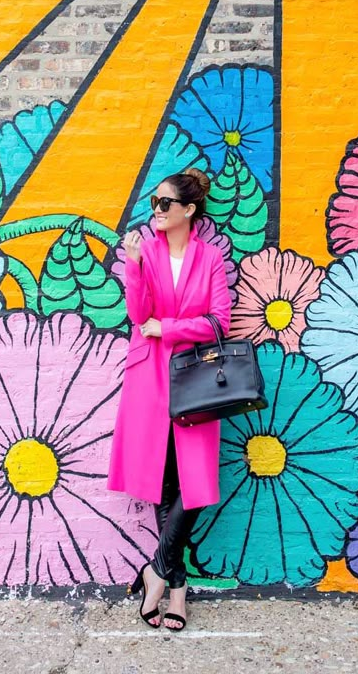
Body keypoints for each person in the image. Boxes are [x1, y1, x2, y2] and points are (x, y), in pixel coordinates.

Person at [107, 167, 232, 631]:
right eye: (153, 204)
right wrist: (134, 268)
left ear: (188, 211)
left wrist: (172, 328)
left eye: (164, 204)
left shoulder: (211, 258)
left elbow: (220, 321)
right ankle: (175, 588)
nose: (155, 211)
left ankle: (154, 570)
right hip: (150, 377)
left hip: (196, 376)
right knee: (162, 480)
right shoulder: (146, 252)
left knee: (194, 486)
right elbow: (140, 316)